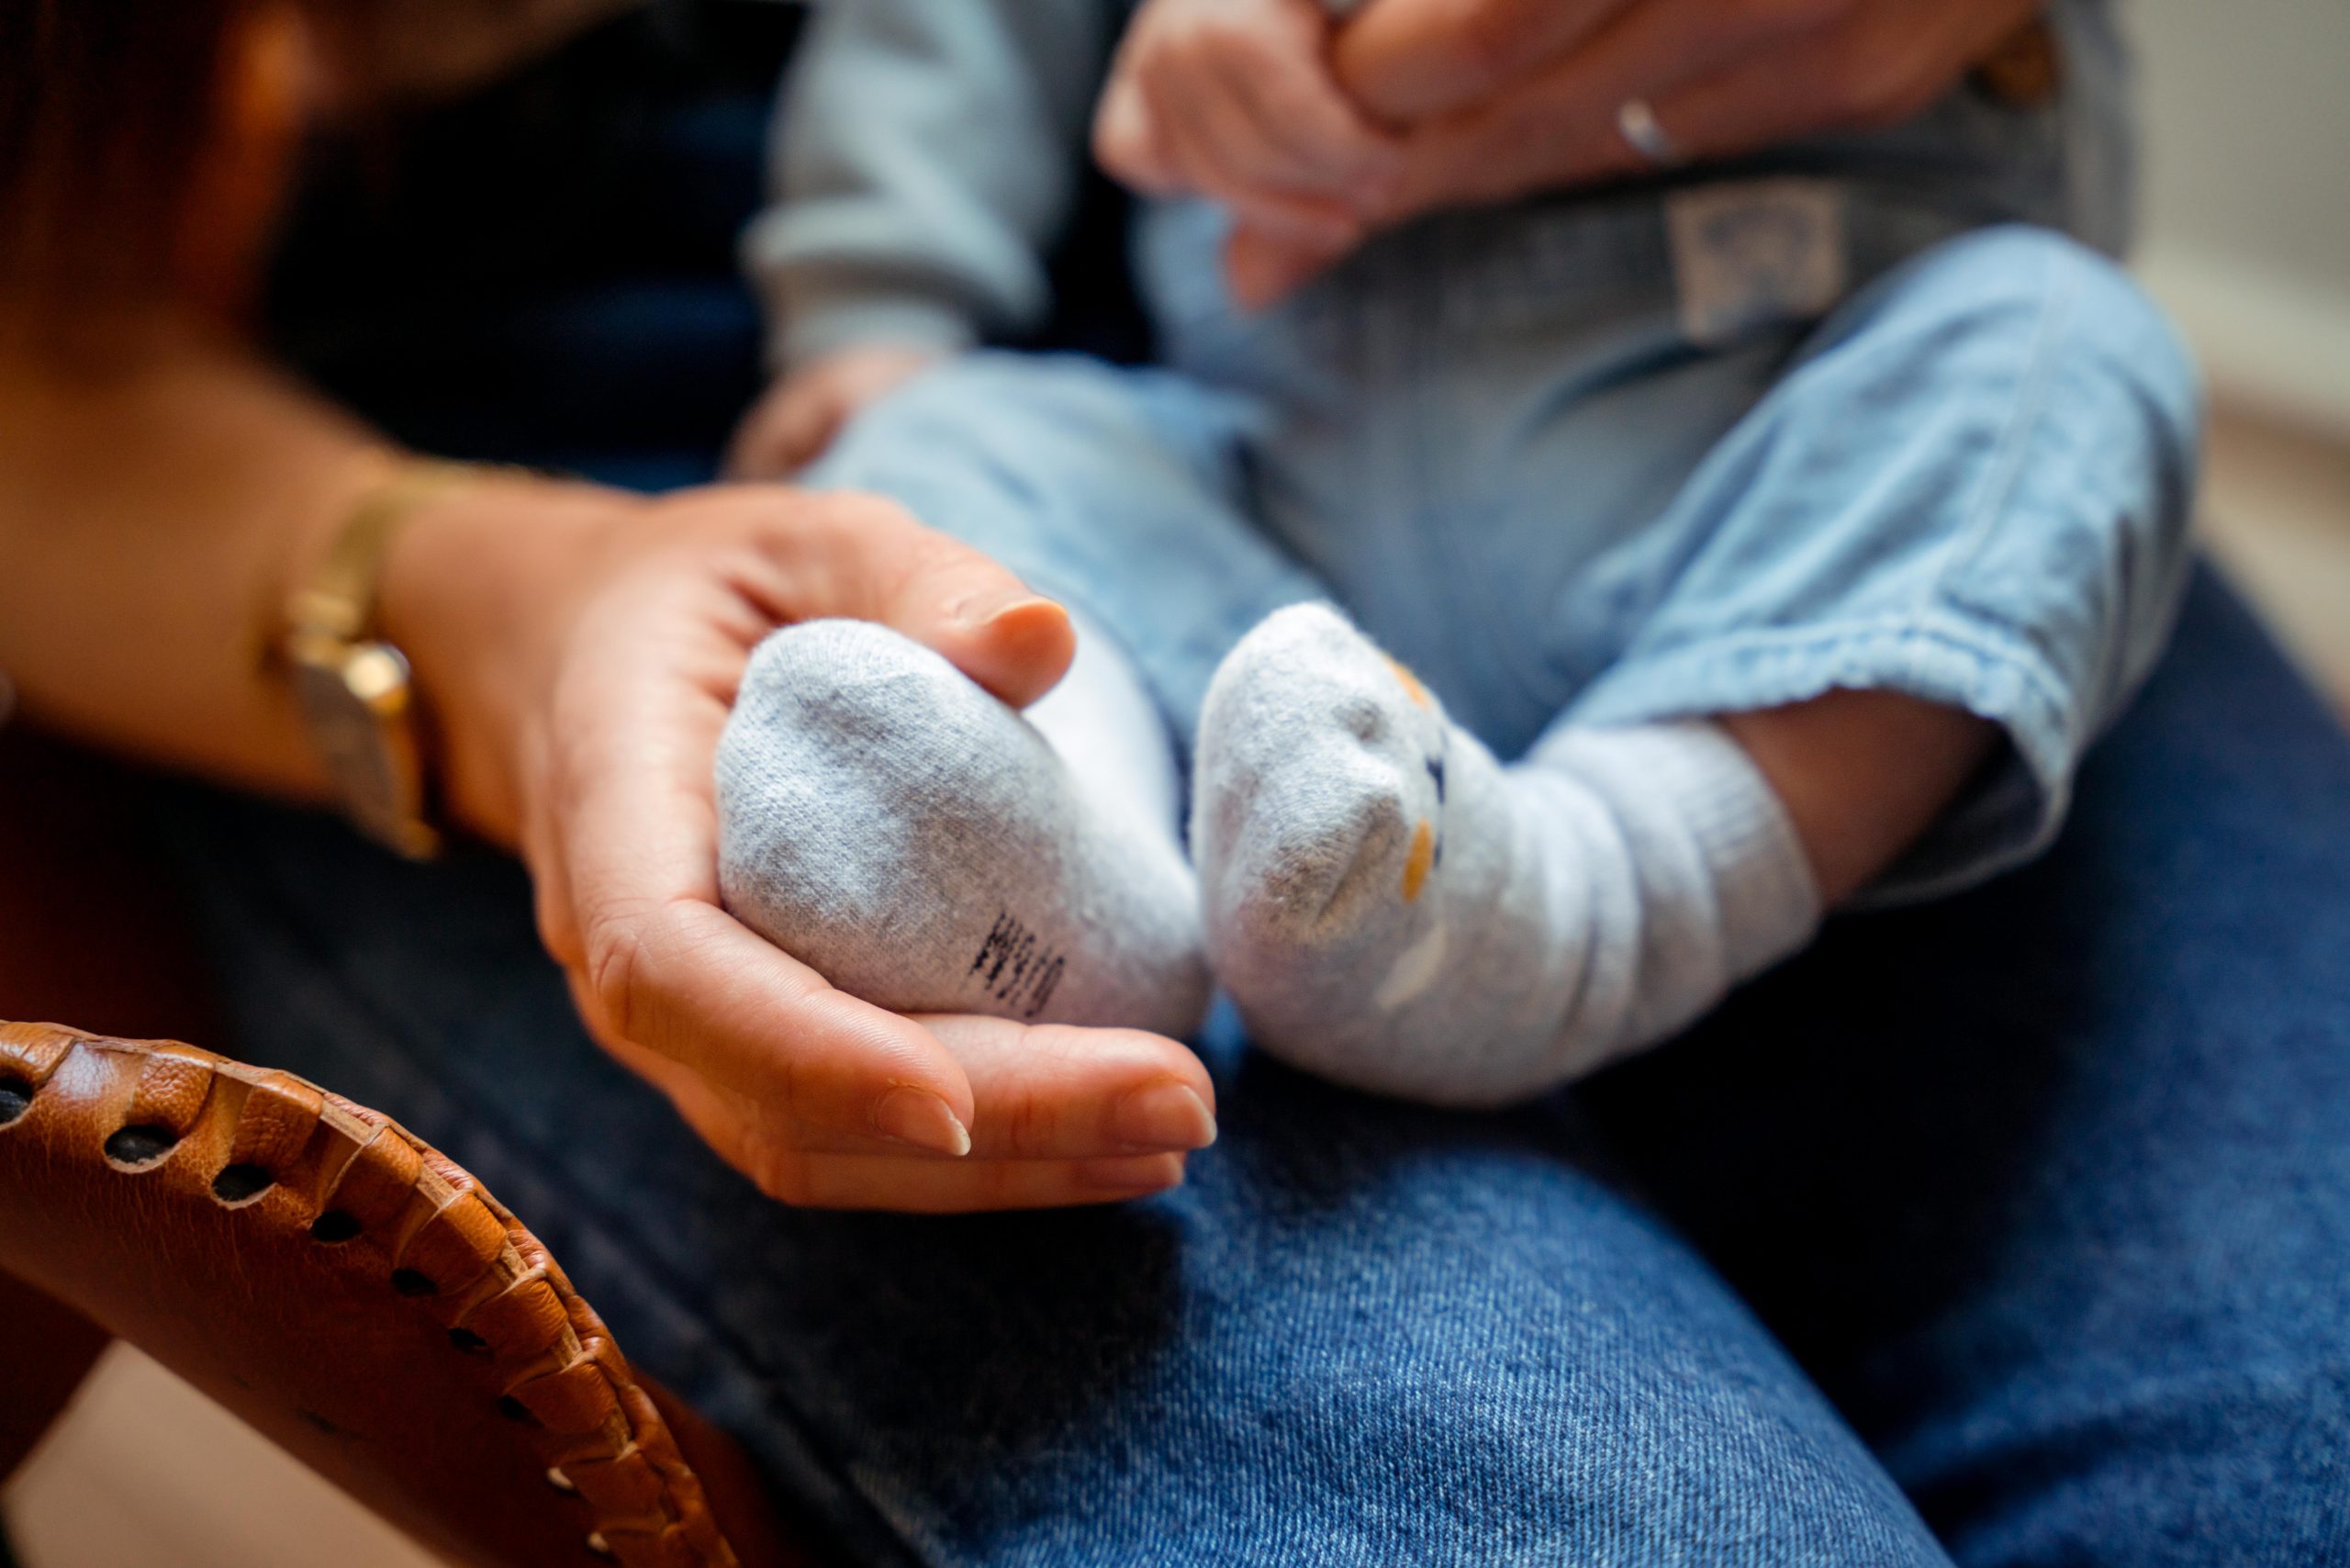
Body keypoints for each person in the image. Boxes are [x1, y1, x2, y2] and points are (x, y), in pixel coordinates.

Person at [3, 3, 2344, 1562]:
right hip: (637, 410)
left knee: (2279, 1467)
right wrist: (753, 415)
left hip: (1749, 372)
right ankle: (1099, 892)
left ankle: (1571, 892)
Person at [715, 0, 2193, 1106]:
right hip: (1260, 510)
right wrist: (876, 306)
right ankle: (1088, 888)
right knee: (941, 441)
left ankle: (1584, 908)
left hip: (1756, 470)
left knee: (2064, 356)